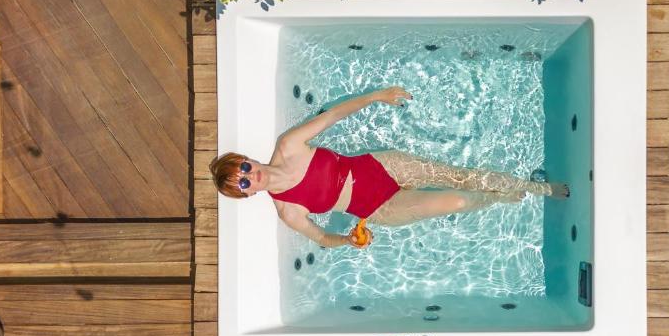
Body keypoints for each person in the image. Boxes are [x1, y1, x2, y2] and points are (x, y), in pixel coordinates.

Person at [209, 86, 568, 249]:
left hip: (384, 166)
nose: (247, 175)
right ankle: (500, 198)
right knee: (459, 201)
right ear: (248, 194)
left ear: (247, 158)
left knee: (462, 176)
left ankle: (540, 189)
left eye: (242, 167)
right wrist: (348, 239)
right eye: (242, 183)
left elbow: (332, 115)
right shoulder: (288, 211)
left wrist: (375, 96)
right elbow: (322, 239)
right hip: (380, 208)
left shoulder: (288, 146)